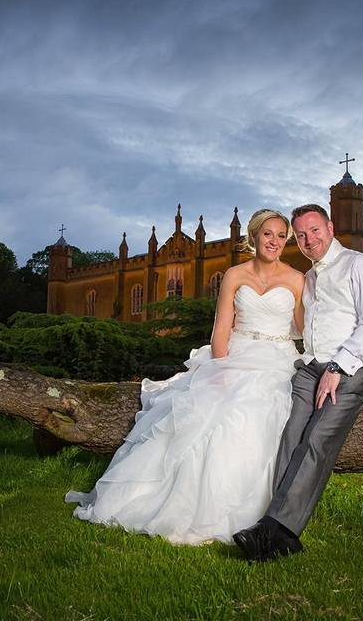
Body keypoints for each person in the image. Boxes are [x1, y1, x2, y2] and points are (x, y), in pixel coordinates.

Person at [65, 209, 305, 545]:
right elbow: (221, 328)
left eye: (282, 236)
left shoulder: (297, 279)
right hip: (236, 354)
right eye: (268, 234)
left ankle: (252, 510)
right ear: (254, 236)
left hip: (277, 359)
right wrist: (220, 369)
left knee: (257, 412)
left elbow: (305, 328)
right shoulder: (234, 274)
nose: (275, 242)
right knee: (209, 411)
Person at [233, 203, 363, 562]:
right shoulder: (312, 276)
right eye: (301, 235)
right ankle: (276, 528)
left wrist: (338, 367)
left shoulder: (359, 266)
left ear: (331, 228)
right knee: (290, 434)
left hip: (355, 367)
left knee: (318, 436)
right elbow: (302, 328)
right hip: (311, 367)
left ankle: (274, 532)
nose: (308, 240)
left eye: (314, 230)